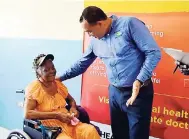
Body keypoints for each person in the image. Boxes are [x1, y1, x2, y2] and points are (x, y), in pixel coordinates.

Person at [58, 6, 162, 139]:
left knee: (138, 135)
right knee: (119, 134)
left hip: (137, 93)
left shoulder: (129, 24)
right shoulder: (95, 40)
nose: (89, 35)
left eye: (89, 31)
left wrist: (139, 80)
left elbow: (153, 52)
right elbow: (82, 63)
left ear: (100, 23)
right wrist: (59, 78)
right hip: (114, 93)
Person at [24, 54, 100, 139]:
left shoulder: (57, 84)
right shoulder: (34, 88)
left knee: (90, 131)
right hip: (50, 129)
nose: (52, 71)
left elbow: (71, 100)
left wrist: (73, 108)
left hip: (68, 122)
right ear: (38, 72)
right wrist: (56, 115)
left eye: (53, 68)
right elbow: (28, 113)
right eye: (46, 70)